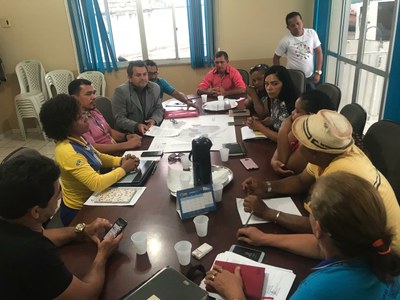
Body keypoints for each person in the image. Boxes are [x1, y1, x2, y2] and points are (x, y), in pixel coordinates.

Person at [205, 172, 400, 299]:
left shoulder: (319, 288)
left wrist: (234, 294)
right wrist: (266, 238)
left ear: (317, 228)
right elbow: (318, 246)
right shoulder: (377, 251)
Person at [240, 110, 400, 258]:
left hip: (384, 257)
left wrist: (268, 213)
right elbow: (301, 181)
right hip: (359, 237)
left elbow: (317, 228)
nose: (298, 144)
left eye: (301, 142)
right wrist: (266, 186)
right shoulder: (331, 152)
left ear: (314, 152)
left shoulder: (340, 175)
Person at [0, 154, 122, 299]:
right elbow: (85, 296)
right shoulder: (32, 251)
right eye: (57, 193)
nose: (61, 196)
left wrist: (82, 230)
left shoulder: (13, 222)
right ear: (36, 211)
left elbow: (43, 235)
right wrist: (102, 255)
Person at [39, 94, 139, 225]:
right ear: (65, 125)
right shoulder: (67, 151)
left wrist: (120, 161)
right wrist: (124, 168)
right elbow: (96, 183)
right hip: (79, 211)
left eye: (84, 114)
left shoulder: (78, 137)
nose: (86, 119)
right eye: (80, 117)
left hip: (93, 198)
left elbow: (97, 156)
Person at [69, 79, 142, 155]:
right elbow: (92, 148)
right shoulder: (77, 121)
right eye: (88, 94)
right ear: (74, 98)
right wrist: (126, 145)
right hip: (105, 160)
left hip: (118, 151)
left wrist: (126, 137)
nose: (94, 97)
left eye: (94, 93)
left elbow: (109, 131)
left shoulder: (94, 110)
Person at [271, 90, 334, 176]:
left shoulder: (312, 140)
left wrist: (283, 129)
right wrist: (274, 161)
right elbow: (280, 151)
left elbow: (288, 166)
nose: (292, 113)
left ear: (311, 117)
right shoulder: (300, 127)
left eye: (297, 111)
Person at [246, 65, 299, 142]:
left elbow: (286, 139)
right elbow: (275, 119)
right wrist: (260, 122)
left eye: (275, 84)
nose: (269, 88)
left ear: (285, 83)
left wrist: (260, 127)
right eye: (266, 84)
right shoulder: (274, 98)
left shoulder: (293, 104)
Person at [112, 60, 164, 135]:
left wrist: (154, 120)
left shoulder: (155, 88)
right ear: (130, 77)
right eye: (138, 75)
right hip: (129, 134)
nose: (143, 78)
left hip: (149, 131)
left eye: (145, 74)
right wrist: (137, 126)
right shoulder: (121, 91)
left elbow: (159, 108)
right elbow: (119, 118)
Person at [273, 11, 323, 89]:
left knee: (310, 99)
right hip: (292, 78)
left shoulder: (311, 33)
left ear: (302, 22)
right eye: (292, 25)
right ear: (288, 28)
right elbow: (276, 58)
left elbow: (319, 52)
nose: (296, 27)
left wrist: (318, 72)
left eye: (298, 23)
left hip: (310, 77)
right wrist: (279, 75)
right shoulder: (285, 40)